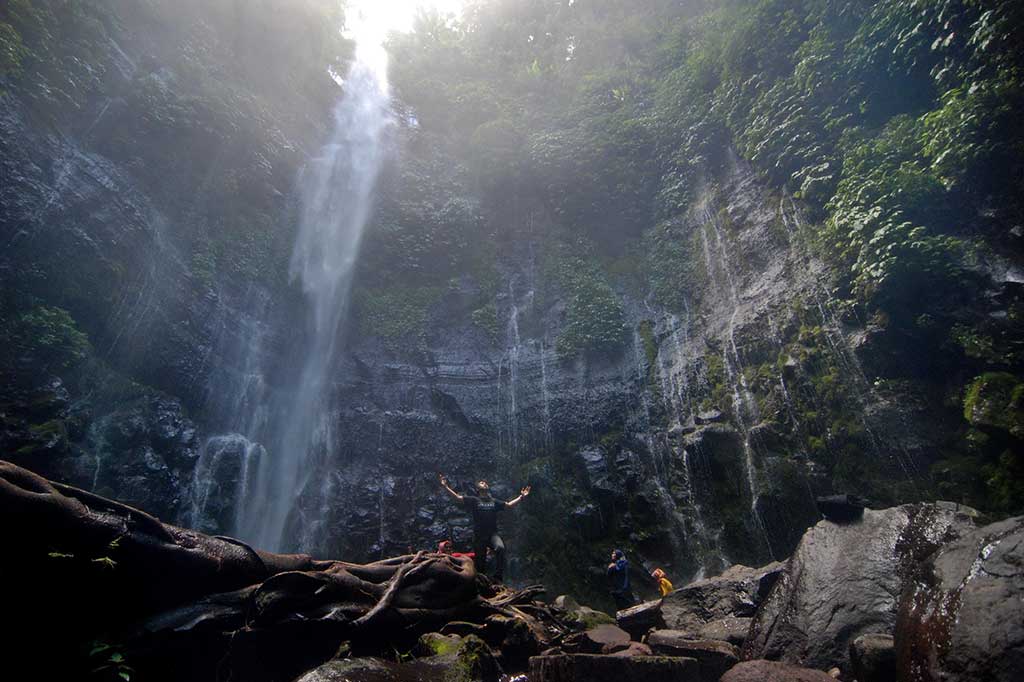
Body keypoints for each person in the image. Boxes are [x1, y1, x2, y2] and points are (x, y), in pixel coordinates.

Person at [438, 473, 530, 582]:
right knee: (480, 564)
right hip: (479, 536)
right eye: (482, 482)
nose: (484, 483)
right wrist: (445, 486)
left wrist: (521, 497)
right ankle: (482, 583)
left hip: (492, 534)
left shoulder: (494, 501)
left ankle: (498, 576)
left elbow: (509, 505)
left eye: (485, 483)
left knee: (500, 548)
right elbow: (457, 498)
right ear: (477, 489)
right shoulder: (474, 500)